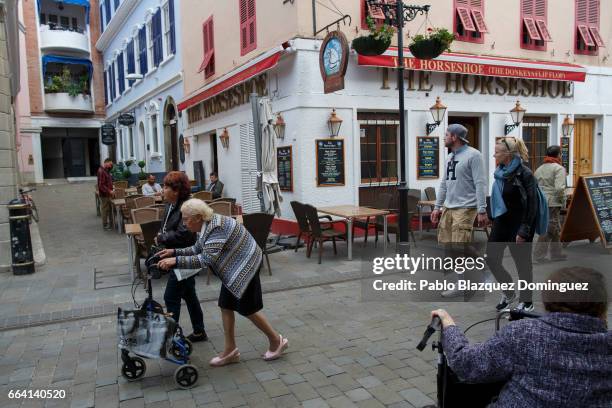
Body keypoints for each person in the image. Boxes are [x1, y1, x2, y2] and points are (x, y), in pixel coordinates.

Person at [431, 267, 611, 408]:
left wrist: (449, 324)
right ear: (602, 308)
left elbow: (467, 364)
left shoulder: (525, 334)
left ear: (548, 301)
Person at [157, 199, 288, 366]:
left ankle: (277, 341)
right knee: (226, 304)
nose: (183, 223)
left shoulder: (216, 227)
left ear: (197, 217)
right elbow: (197, 248)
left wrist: (175, 261)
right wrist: (174, 252)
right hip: (236, 266)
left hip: (246, 265)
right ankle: (230, 350)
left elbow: (204, 259)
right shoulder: (205, 225)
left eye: (185, 219)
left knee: (247, 309)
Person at [430, 124, 488, 297]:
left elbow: (480, 183)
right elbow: (444, 184)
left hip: (466, 208)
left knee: (458, 247)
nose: (444, 137)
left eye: (446, 134)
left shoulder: (474, 155)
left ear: (454, 137)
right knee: (451, 246)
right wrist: (437, 207)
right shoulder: (449, 157)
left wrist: (482, 209)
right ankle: (483, 269)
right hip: (449, 207)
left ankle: (464, 283)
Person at [488, 137, 538, 312]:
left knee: (522, 264)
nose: (494, 155)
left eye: (497, 152)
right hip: (502, 222)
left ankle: (527, 301)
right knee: (491, 258)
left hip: (520, 224)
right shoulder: (500, 172)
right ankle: (509, 293)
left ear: (508, 154)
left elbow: (532, 204)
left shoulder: (525, 174)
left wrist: (524, 230)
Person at [156, 171, 207, 342]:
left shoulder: (187, 206)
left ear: (176, 190)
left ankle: (171, 337)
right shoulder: (170, 204)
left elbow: (185, 234)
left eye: (165, 187)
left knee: (170, 297)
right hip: (174, 255)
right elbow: (167, 228)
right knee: (189, 294)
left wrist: (163, 237)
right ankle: (199, 331)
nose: (162, 190)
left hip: (184, 258)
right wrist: (162, 235)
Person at [533, 145, 567, 262]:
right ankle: (538, 255)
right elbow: (559, 189)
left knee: (555, 228)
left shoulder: (539, 168)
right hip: (553, 201)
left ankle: (557, 254)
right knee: (550, 228)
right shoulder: (558, 168)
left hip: (541, 201)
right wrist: (563, 201)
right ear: (558, 155)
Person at [97, 158, 114, 231]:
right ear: (106, 163)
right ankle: (105, 225)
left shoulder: (106, 171)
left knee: (109, 209)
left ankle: (110, 223)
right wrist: (109, 191)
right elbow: (101, 185)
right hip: (104, 195)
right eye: (110, 164)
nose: (111, 166)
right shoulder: (101, 171)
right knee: (105, 209)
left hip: (107, 194)